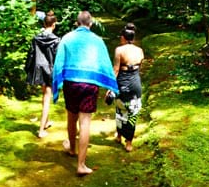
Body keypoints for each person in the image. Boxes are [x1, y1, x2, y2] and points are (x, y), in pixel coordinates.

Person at [52, 11, 118, 176]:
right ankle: (81, 165)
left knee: (71, 115)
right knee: (85, 122)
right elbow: (105, 63)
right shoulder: (97, 41)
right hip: (89, 84)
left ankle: (72, 149)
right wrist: (111, 85)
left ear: (76, 23)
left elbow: (58, 62)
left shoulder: (67, 38)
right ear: (91, 24)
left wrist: (56, 84)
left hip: (71, 82)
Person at [25, 10, 60, 138]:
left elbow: (31, 55)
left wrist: (28, 69)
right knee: (47, 98)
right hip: (50, 70)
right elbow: (58, 58)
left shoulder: (36, 38)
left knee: (44, 95)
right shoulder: (56, 40)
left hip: (39, 69)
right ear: (54, 24)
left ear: (44, 23)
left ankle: (45, 122)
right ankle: (41, 130)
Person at [112, 22, 144, 152]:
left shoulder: (119, 50)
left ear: (123, 38)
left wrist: (110, 87)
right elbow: (139, 67)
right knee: (133, 111)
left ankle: (119, 136)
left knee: (120, 109)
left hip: (122, 83)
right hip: (135, 82)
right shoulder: (140, 51)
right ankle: (129, 143)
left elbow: (115, 70)